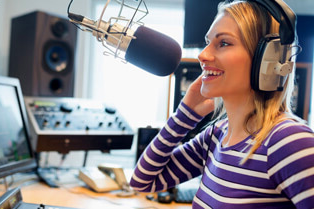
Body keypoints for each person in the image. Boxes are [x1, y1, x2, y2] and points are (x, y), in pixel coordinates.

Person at [129, 0, 314, 208]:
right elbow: (143, 181)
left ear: (267, 60)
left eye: (224, 43)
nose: (202, 55)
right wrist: (184, 116)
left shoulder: (289, 141)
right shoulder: (217, 136)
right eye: (208, 42)